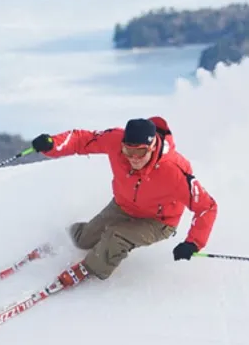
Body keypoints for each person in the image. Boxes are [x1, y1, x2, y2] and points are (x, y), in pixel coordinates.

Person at [30, 116, 219, 288]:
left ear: (152, 146)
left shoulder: (174, 170)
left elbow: (207, 206)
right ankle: (68, 239)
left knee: (116, 236)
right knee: (84, 239)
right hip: (123, 206)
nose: (134, 158)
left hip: (158, 221)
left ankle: (92, 268)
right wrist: (52, 144)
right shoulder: (115, 140)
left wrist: (192, 243)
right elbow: (82, 139)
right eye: (129, 151)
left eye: (141, 152)